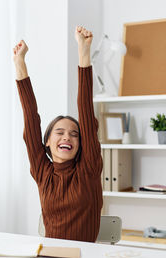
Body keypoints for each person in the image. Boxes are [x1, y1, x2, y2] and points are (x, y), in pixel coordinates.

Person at [13, 26, 103, 242]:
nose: (67, 137)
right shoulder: (43, 171)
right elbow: (31, 120)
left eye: (74, 134)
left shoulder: (88, 169)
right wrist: (20, 63)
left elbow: (86, 112)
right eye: (59, 132)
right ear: (47, 143)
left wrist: (83, 52)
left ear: (82, 144)